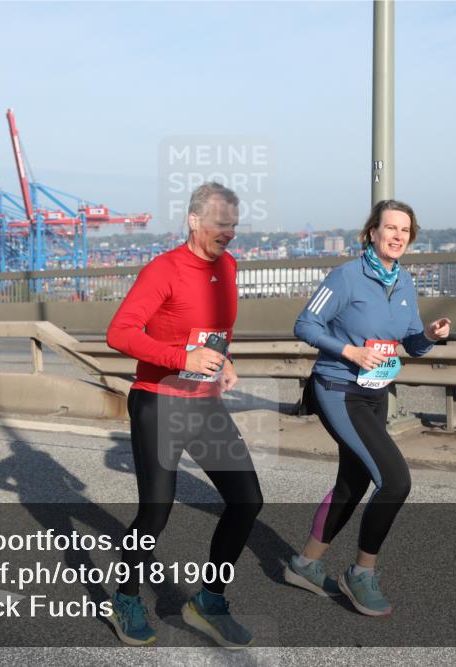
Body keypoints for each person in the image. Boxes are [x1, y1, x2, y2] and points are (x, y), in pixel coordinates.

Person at [105, 182, 263, 648]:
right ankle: (127, 597)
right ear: (194, 221)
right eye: (220, 222)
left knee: (247, 500)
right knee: (155, 511)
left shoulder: (228, 266)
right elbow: (119, 333)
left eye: (234, 223)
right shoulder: (164, 269)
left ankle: (208, 601)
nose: (229, 232)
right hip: (159, 399)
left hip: (204, 401)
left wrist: (223, 358)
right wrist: (182, 359)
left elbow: (215, 328)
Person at [285, 199, 450, 616]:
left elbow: (411, 342)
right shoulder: (346, 277)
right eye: (389, 228)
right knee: (395, 481)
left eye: (404, 230)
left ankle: (305, 564)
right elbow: (305, 325)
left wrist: (429, 334)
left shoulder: (405, 283)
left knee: (352, 482)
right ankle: (362, 573)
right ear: (371, 233)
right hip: (338, 388)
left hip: (375, 392)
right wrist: (350, 353)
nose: (397, 236)